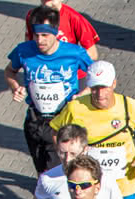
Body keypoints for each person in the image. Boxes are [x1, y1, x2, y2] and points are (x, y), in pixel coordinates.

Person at [47, 60, 135, 199]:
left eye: (104, 87)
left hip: (125, 185)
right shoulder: (76, 108)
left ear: (114, 83)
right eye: (94, 88)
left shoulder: (130, 107)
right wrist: (67, 158)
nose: (100, 94)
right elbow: (56, 131)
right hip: (90, 187)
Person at [6, 8, 92, 174]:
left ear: (56, 32)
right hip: (35, 120)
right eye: (36, 35)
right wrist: (15, 87)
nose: (40, 40)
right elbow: (9, 71)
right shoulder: (24, 51)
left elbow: (96, 77)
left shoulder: (74, 53)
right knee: (42, 174)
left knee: (56, 173)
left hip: (63, 120)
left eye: (45, 35)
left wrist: (82, 95)